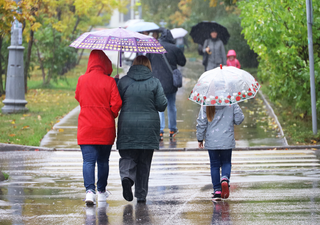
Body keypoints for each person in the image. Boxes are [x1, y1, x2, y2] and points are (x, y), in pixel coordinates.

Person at [117, 55, 167, 203]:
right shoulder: (154, 82)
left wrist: (116, 83)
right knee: (144, 161)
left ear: (133, 65)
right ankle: (141, 195)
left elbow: (116, 102)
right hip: (148, 128)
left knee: (127, 156)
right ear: (148, 66)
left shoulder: (124, 81)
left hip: (127, 126)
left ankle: (126, 177)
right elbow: (162, 105)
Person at [75, 50, 122, 205]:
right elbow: (116, 104)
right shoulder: (109, 82)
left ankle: (89, 192)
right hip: (105, 128)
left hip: (86, 127)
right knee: (103, 161)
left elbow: (78, 97)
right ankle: (101, 191)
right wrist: (111, 115)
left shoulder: (82, 80)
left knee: (88, 161)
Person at [196, 104, 244, 202]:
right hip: (227, 139)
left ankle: (217, 191)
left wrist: (200, 138)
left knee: (214, 165)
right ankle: (225, 178)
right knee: (226, 162)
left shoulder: (206, 104)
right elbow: (239, 119)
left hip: (212, 140)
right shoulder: (231, 102)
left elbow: (201, 123)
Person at [147, 29, 186, 140]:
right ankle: (172, 128)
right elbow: (182, 62)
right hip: (170, 83)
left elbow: (147, 62)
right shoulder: (174, 48)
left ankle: (160, 130)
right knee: (171, 105)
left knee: (159, 107)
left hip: (156, 82)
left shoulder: (153, 47)